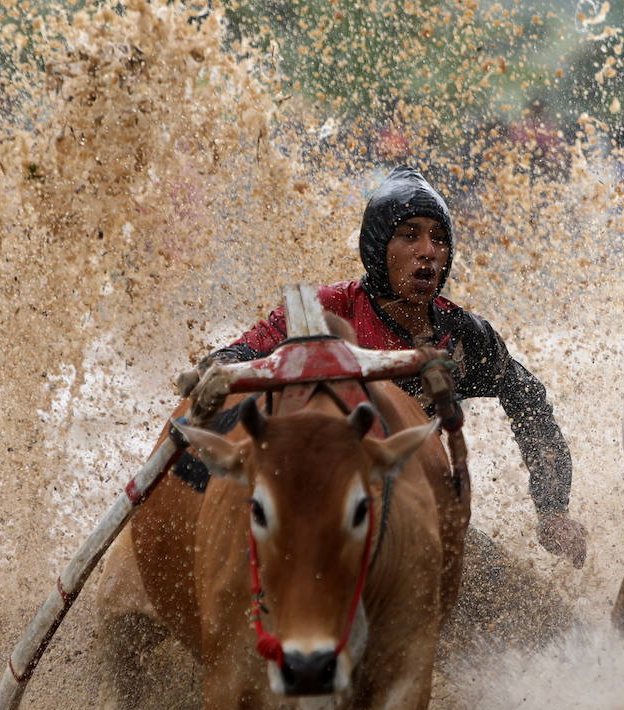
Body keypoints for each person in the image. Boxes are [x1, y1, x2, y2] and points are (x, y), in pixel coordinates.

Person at [179, 165, 588, 568]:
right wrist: (214, 375)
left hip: (415, 516)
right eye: (409, 236)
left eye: (439, 239)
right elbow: (233, 358)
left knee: (544, 619)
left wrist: (552, 509)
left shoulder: (461, 335)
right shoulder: (323, 311)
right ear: (378, 249)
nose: (428, 251)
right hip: (313, 514)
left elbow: (528, 399)